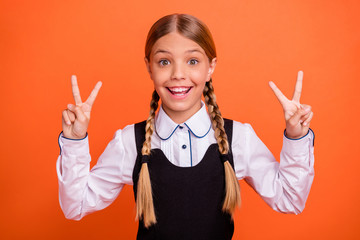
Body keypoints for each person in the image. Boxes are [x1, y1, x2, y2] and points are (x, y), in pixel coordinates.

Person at [57, 13, 315, 240]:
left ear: (210, 67)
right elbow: (76, 205)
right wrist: (75, 141)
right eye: (164, 61)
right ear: (149, 67)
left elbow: (290, 200)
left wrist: (296, 136)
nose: (178, 74)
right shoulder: (128, 142)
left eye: (192, 61)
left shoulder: (238, 139)